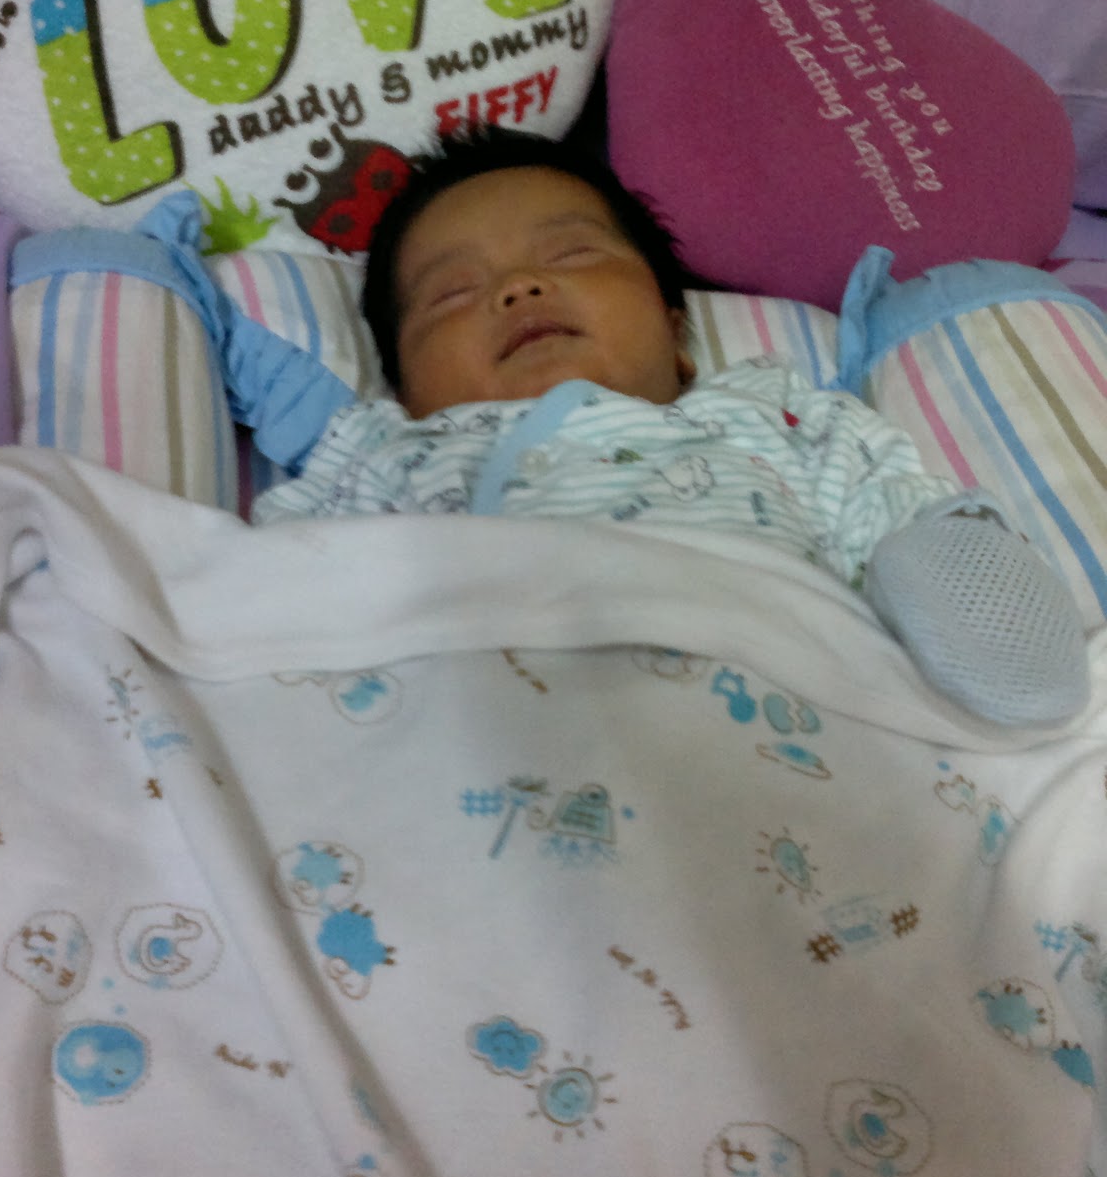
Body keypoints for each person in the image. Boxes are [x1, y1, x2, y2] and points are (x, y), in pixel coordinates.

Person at [226, 126, 1086, 728]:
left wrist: (970, 582)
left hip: (780, 724)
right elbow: (264, 610)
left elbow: (896, 513)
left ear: (676, 331)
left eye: (573, 253)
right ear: (406, 390)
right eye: (452, 293)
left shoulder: (772, 417)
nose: (518, 289)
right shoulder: (387, 456)